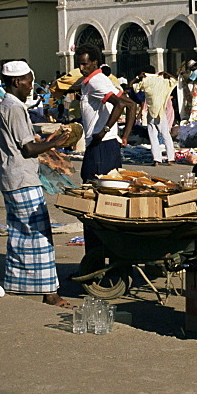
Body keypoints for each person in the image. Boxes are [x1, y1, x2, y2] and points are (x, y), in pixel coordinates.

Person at [0, 61, 71, 308]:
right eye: (28, 81)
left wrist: (46, 141)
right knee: (39, 236)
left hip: (12, 177)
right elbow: (28, 148)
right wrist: (56, 142)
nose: (31, 86)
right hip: (22, 178)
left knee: (20, 234)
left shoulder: (8, 106)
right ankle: (50, 292)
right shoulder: (13, 108)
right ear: (17, 82)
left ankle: (17, 283)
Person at [76, 45, 138, 255]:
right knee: (101, 200)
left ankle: (97, 254)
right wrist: (124, 136)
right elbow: (129, 104)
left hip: (101, 147)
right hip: (103, 146)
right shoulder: (94, 81)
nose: (81, 67)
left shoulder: (96, 81)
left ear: (95, 62)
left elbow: (121, 105)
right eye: (79, 63)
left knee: (95, 201)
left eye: (85, 63)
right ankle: (100, 253)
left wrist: (105, 131)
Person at [134, 65, 177, 166]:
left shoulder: (146, 81)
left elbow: (132, 87)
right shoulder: (164, 81)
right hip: (161, 112)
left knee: (153, 136)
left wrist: (137, 77)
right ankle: (170, 158)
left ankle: (156, 159)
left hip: (151, 112)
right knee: (166, 135)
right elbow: (175, 80)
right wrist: (168, 74)